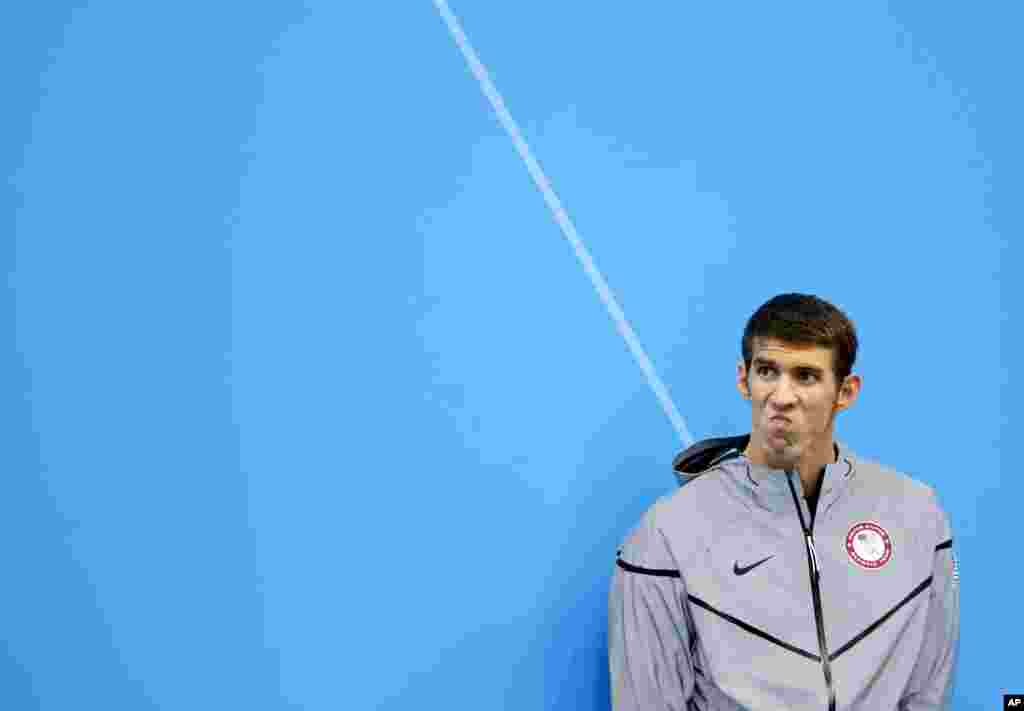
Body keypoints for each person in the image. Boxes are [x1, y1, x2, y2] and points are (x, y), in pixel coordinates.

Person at [608, 293, 959, 710]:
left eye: (806, 376)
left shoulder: (916, 515)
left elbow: (927, 690)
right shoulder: (667, 534)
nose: (781, 396)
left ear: (846, 392)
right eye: (768, 371)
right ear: (744, 380)